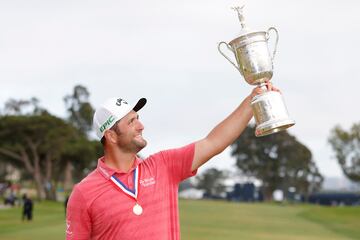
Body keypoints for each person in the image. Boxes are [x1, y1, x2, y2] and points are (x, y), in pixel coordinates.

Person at [66, 83, 279, 240]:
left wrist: (253, 100)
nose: (141, 126)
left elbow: (214, 142)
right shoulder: (84, 194)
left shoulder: (163, 166)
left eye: (138, 118)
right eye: (132, 121)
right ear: (111, 136)